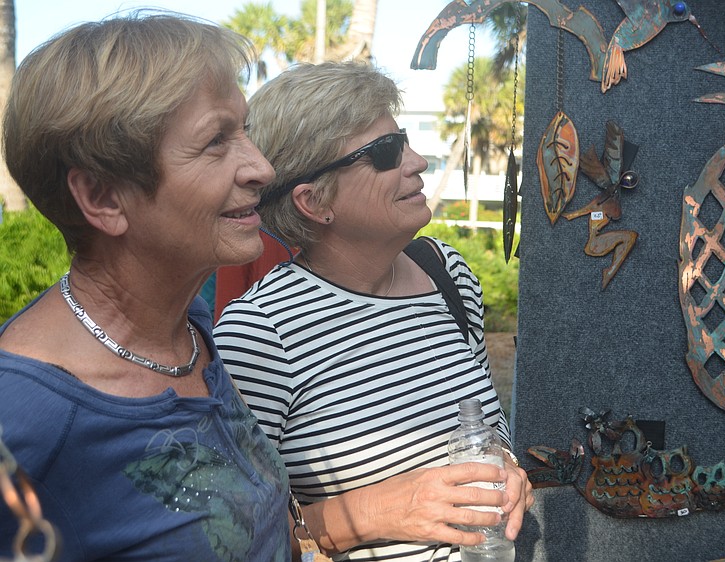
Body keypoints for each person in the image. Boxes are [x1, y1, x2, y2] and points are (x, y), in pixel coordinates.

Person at [0, 13, 292, 562]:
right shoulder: (22, 419)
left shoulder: (187, 326)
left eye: (244, 130)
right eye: (215, 141)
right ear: (103, 197)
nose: (262, 168)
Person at [213, 61, 533, 561]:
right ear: (314, 201)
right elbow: (232, 533)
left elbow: (483, 430)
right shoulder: (260, 334)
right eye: (386, 152)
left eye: (404, 141)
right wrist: (379, 511)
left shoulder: (445, 273)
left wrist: (507, 472)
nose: (418, 161)